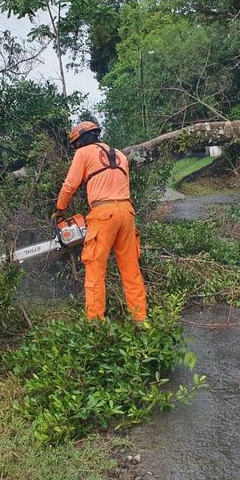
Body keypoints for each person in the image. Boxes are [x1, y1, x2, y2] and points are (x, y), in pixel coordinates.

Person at [53, 121, 148, 326]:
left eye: (77, 143)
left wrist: (59, 210)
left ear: (81, 140)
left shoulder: (84, 153)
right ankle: (140, 320)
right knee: (131, 271)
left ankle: (95, 325)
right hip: (127, 212)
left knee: (95, 270)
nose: (77, 147)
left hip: (103, 214)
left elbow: (70, 185)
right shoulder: (120, 155)